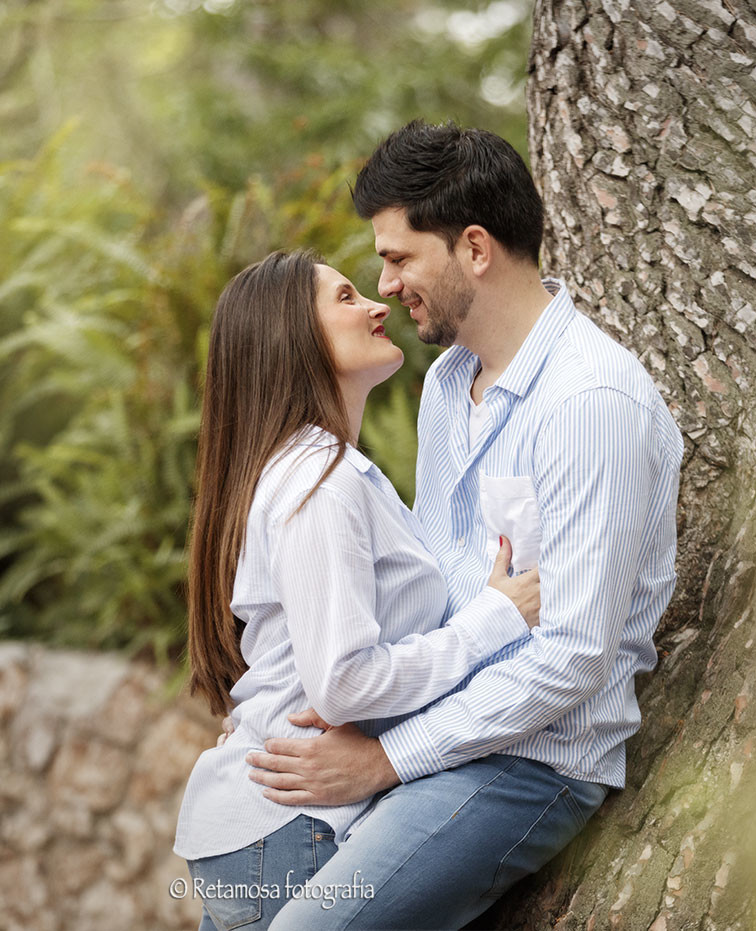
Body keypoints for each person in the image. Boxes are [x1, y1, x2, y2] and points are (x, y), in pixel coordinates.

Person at [247, 121, 685, 929]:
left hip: (529, 758)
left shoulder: (590, 402)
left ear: (474, 248)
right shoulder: (447, 386)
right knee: (241, 898)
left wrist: (383, 759)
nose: (385, 285)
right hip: (431, 727)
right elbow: (440, 583)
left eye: (399, 257)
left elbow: (575, 655)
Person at [173, 249, 544, 931]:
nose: (378, 304)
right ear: (292, 337)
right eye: (345, 298)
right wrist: (496, 619)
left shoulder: (316, 471)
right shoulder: (321, 484)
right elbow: (343, 679)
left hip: (266, 822)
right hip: (288, 824)